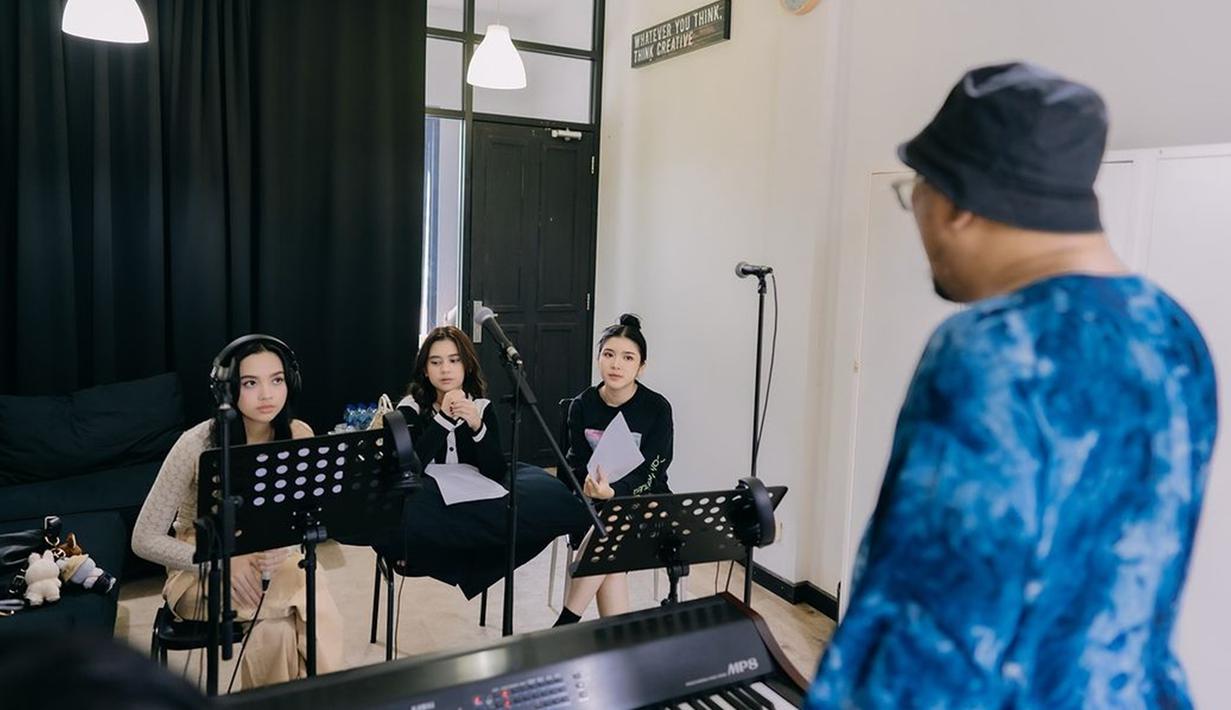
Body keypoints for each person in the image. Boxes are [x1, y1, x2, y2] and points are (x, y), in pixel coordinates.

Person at [806, 63, 1218, 709]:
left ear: (958, 202)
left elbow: (928, 626)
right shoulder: (1172, 332)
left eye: (914, 191)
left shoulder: (996, 348)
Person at [133, 336, 343, 689]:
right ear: (227, 389)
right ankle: (336, 697)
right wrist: (222, 562)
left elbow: (302, 519)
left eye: (277, 380)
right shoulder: (195, 443)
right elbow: (143, 538)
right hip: (199, 572)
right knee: (311, 583)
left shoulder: (297, 434)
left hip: (268, 566)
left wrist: (285, 549)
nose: (267, 395)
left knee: (276, 630)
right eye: (251, 383)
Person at [374, 325, 591, 599]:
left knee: (531, 509)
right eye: (436, 362)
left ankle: (461, 564)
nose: (445, 370)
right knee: (405, 512)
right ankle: (444, 560)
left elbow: (494, 470)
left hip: (470, 491)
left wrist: (477, 428)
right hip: (428, 492)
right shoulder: (410, 407)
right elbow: (412, 465)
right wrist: (443, 421)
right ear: (424, 370)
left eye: (454, 361)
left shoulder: (481, 407)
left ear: (466, 365)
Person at [554, 314, 674, 626]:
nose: (616, 364)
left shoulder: (657, 409)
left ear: (641, 367)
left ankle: (567, 623)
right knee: (609, 540)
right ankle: (619, 640)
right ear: (598, 360)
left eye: (627, 357)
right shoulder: (582, 405)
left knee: (610, 527)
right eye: (608, 355)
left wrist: (615, 493)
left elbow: (654, 470)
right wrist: (589, 488)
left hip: (644, 501)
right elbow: (574, 462)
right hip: (592, 501)